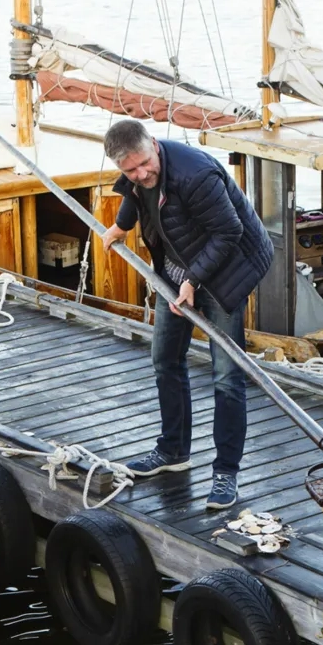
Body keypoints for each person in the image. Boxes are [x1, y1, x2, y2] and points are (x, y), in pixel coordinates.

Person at [101, 119, 274, 510]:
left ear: (154, 146)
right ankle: (173, 452)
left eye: (145, 163)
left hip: (226, 270)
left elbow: (229, 232)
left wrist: (194, 281)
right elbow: (135, 193)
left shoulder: (196, 175)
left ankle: (225, 472)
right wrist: (120, 226)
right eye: (130, 170)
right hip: (178, 271)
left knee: (227, 377)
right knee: (164, 359)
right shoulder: (137, 176)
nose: (141, 174)